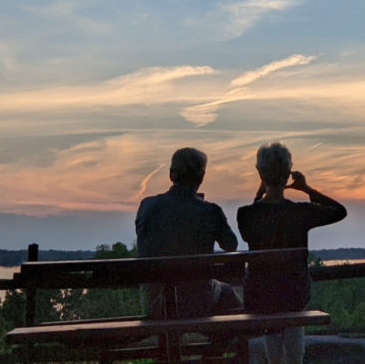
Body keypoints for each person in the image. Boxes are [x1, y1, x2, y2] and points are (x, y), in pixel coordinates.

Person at [237, 142, 347, 364]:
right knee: (292, 304)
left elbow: (251, 227)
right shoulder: (300, 212)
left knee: (272, 314)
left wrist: (261, 190)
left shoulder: (246, 214)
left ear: (260, 173)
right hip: (294, 294)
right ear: (289, 174)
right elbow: (339, 212)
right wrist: (307, 189)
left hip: (261, 296)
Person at [135, 147, 240, 319]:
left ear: (171, 174)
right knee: (227, 293)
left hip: (155, 303)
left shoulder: (147, 206)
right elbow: (231, 245)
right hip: (194, 301)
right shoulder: (210, 211)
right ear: (201, 177)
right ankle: (226, 343)